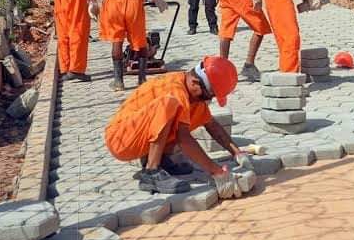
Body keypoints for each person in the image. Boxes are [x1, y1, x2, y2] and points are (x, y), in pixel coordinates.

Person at [105, 56, 254, 197]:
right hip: (121, 139)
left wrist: (237, 152)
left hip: (136, 135)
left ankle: (162, 161)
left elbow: (212, 125)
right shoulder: (175, 89)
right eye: (210, 95)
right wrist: (216, 171)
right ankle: (151, 172)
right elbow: (183, 138)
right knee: (168, 105)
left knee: (190, 111)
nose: (210, 99)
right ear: (195, 82)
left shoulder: (191, 92)